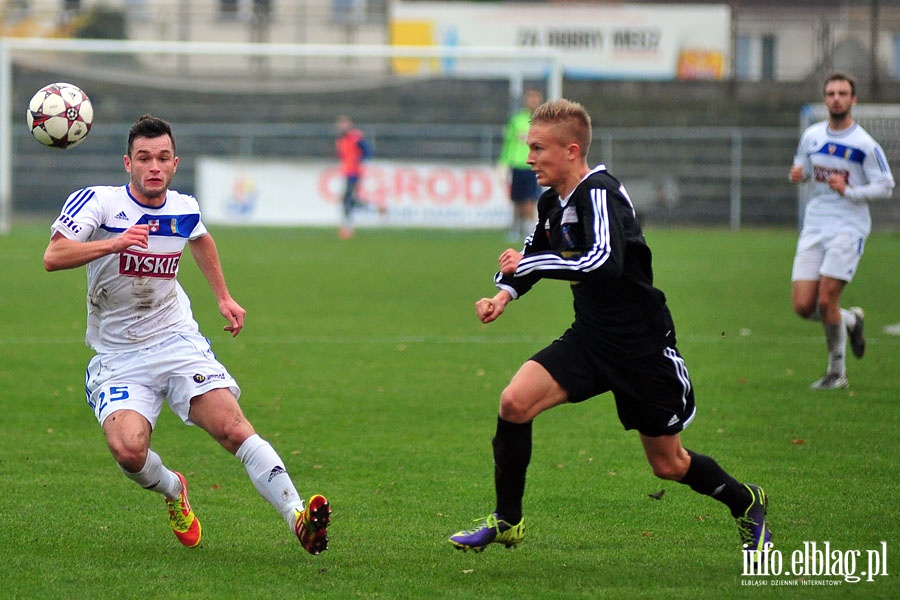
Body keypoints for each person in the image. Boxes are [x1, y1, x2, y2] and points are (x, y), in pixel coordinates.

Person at [448, 99, 771, 561]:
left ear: (571, 150)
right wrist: (503, 294)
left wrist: (532, 262)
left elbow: (603, 263)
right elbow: (534, 251)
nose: (529, 158)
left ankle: (746, 502)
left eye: (538, 148)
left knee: (668, 464)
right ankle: (507, 520)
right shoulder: (550, 201)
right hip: (590, 338)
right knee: (514, 403)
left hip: (641, 348)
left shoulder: (600, 192)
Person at [43, 114, 331, 554]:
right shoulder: (97, 203)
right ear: (128, 163)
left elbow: (200, 238)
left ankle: (297, 518)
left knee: (233, 428)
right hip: (118, 355)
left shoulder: (183, 207)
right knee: (130, 453)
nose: (153, 166)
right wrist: (113, 243)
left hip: (175, 339)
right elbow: (54, 255)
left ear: (174, 163)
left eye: (162, 158)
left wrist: (223, 296)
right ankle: (174, 489)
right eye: (144, 158)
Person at [788, 72, 894, 390]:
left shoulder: (865, 145)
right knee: (803, 306)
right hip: (815, 225)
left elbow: (886, 186)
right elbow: (804, 169)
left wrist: (849, 191)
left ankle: (837, 373)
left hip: (849, 227)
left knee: (825, 300)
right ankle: (850, 320)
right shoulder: (812, 136)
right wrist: (797, 175)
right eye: (831, 93)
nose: (836, 98)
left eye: (843, 93)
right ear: (825, 99)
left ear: (853, 100)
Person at [499, 88, 544, 241]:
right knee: (517, 200)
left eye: (535, 99)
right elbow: (508, 143)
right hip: (518, 164)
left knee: (530, 200)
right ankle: (516, 227)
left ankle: (529, 229)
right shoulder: (516, 120)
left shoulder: (543, 122)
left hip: (534, 165)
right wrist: (503, 162)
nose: (532, 102)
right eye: (530, 99)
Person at [335, 114, 375, 239]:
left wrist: (358, 159)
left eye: (344, 124)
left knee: (347, 199)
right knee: (349, 200)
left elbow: (368, 151)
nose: (341, 126)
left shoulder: (355, 137)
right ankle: (348, 226)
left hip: (354, 172)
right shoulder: (341, 140)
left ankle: (347, 228)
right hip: (347, 172)